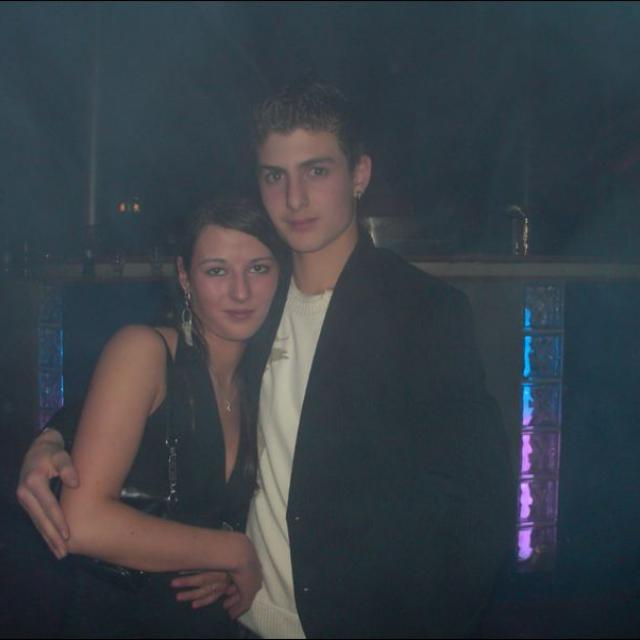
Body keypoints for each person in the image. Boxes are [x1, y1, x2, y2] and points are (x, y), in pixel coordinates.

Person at [17, 80, 515, 638]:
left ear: (359, 175)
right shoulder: (257, 305)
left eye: (316, 171)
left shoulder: (422, 313)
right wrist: (54, 436)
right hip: (242, 618)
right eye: (275, 176)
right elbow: (162, 372)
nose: (294, 198)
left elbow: (478, 512)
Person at [18, 197, 287, 638]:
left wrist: (222, 556)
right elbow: (83, 523)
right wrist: (234, 551)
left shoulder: (258, 384)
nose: (240, 292)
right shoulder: (145, 351)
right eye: (216, 271)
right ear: (184, 276)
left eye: (258, 268)